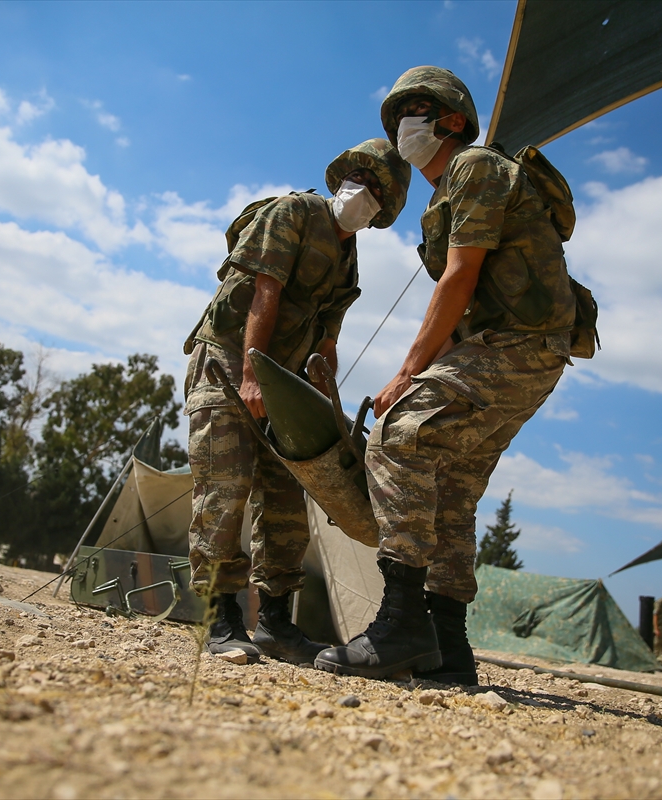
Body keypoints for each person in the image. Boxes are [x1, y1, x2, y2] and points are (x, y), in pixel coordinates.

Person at [315, 66, 576, 685]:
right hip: (514, 348)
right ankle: (447, 648)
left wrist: (407, 375)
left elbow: (459, 279)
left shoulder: (475, 167)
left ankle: (402, 622)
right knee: (451, 484)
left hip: (522, 343)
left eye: (417, 110)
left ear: (452, 121)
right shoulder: (442, 198)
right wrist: (423, 368)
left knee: (401, 434)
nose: (404, 125)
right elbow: (462, 304)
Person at [182, 140, 410, 665]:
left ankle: (275, 624)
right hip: (227, 362)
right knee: (225, 485)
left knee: (286, 503)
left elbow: (325, 346)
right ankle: (219, 617)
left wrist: (330, 420)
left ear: (384, 208)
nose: (362, 188)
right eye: (357, 175)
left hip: (282, 383)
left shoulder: (349, 262)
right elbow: (267, 290)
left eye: (375, 186)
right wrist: (251, 376)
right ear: (340, 176)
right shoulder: (295, 212)